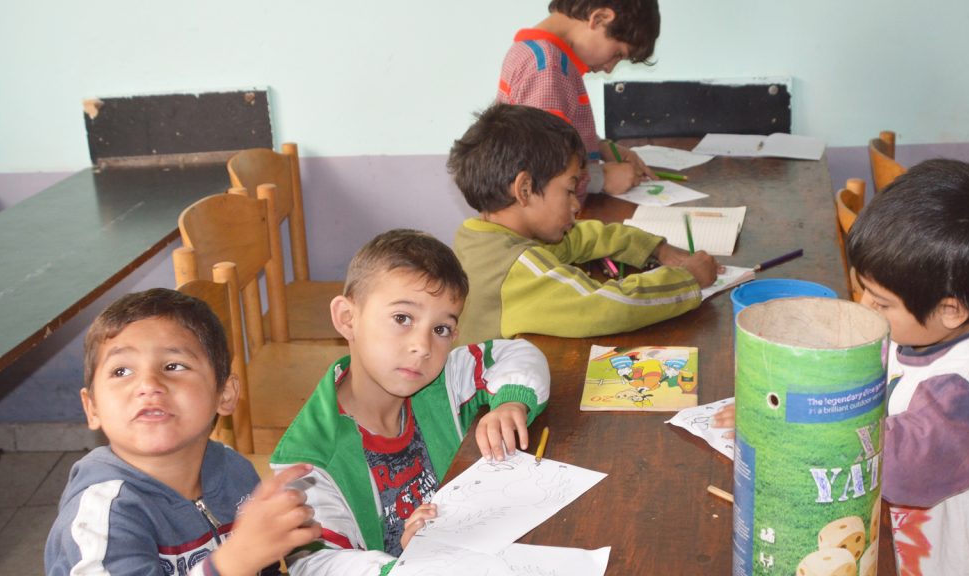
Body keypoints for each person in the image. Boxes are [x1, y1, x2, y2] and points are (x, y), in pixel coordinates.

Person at [270, 229, 551, 576]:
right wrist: (411, 565)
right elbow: (317, 564)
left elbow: (518, 353)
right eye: (402, 318)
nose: (423, 346)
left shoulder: (441, 381)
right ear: (347, 318)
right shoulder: (308, 464)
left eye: (441, 329)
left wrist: (511, 402)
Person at [45, 289, 319, 576]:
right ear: (92, 408)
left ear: (224, 394)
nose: (149, 384)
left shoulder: (235, 472)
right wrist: (233, 563)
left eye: (173, 366)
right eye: (122, 371)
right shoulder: (102, 516)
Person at [847, 159, 969, 575]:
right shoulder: (927, 332)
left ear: (950, 310)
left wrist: (803, 427)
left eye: (879, 301)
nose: (862, 306)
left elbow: (905, 470)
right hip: (893, 541)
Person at [447, 103, 719, 345]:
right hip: (488, 402)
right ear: (525, 189)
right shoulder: (517, 267)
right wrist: (688, 279)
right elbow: (608, 306)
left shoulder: (478, 234)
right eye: (569, 190)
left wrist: (652, 247)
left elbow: (578, 238)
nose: (576, 204)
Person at [497, 0, 660, 203]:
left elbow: (558, 133)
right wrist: (603, 178)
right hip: (543, 226)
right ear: (599, 18)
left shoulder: (534, 53)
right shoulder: (547, 67)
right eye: (617, 54)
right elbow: (543, 172)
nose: (609, 69)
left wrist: (601, 146)